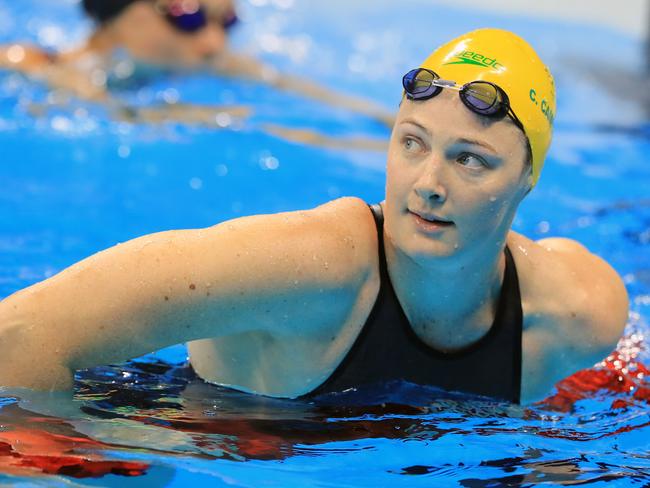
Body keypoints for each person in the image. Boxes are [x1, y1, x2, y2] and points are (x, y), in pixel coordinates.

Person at [0, 28, 628, 404]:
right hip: (179, 428)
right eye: (412, 143)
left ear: (526, 181)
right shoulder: (309, 266)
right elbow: (19, 335)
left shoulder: (578, 313)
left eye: (471, 161)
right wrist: (72, 451)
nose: (428, 185)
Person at [0, 0, 393, 126]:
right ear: (124, 12)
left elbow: (321, 99)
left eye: (228, 21)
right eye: (188, 15)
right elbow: (109, 112)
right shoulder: (29, 63)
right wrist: (201, 115)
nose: (213, 40)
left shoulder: (212, 60)